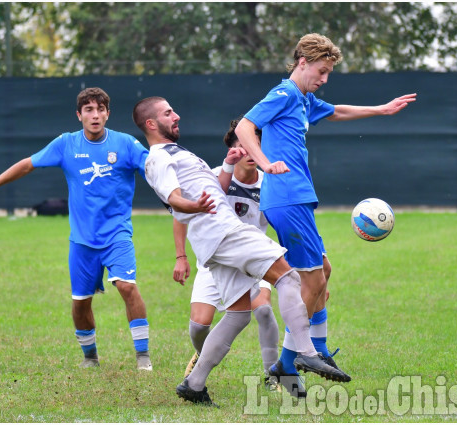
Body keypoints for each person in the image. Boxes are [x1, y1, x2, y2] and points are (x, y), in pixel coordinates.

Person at [133, 96, 347, 406]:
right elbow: (172, 198)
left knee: (238, 315)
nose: (176, 115)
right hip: (224, 232)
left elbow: (208, 189)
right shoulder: (156, 158)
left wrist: (228, 167)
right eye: (168, 113)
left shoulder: (175, 152)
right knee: (289, 279)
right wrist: (193, 206)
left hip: (214, 239)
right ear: (151, 124)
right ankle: (305, 353)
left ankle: (194, 384)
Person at [235, 33, 417, 385]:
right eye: (321, 71)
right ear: (302, 62)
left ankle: (314, 350)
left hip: (298, 197)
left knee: (324, 271)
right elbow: (245, 126)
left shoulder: (304, 100)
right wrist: (265, 163)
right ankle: (293, 359)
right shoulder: (285, 93)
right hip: (286, 197)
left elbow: (336, 112)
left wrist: (381, 109)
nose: (324, 79)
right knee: (313, 278)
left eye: (329, 72)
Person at [0, 87, 153, 371]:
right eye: (88, 110)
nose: (95, 115)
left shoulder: (126, 144)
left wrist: (178, 197)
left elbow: (154, 169)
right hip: (81, 240)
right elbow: (27, 165)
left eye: (100, 109)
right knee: (80, 303)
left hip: (117, 235)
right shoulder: (66, 144)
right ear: (79, 115)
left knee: (127, 287)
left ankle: (143, 356)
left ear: (107, 114)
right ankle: (90, 358)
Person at [172, 118, 280, 392]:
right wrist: (181, 257)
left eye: (256, 145)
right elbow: (182, 213)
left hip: (255, 257)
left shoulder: (270, 184)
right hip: (216, 259)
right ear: (232, 150)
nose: (251, 152)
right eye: (244, 146)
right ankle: (202, 355)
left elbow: (286, 222)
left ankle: (274, 374)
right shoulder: (214, 175)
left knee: (264, 311)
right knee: (199, 326)